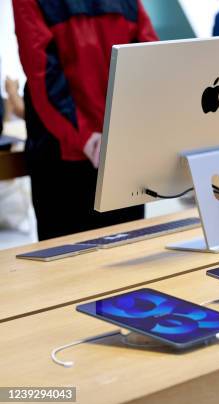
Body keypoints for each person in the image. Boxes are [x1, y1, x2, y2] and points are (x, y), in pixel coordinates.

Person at [13, 0, 158, 240]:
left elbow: (41, 70)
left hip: (71, 155)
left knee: (71, 266)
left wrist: (88, 138)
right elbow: (149, 59)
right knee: (127, 259)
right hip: (108, 152)